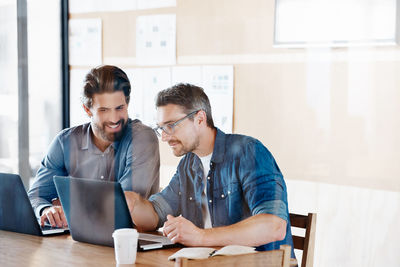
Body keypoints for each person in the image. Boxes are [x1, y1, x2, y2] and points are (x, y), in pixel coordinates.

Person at [125, 83, 295, 256]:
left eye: (171, 125)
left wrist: (200, 237)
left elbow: (274, 226)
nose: (165, 137)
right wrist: (131, 204)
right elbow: (154, 215)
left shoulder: (249, 151)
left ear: (200, 118)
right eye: (161, 128)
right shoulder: (188, 164)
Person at [28, 65, 160, 228]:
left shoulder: (142, 139)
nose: (114, 119)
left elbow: (122, 205)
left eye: (120, 108)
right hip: (78, 240)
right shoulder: (65, 142)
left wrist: (68, 204)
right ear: (87, 109)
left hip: (129, 242)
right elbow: (36, 196)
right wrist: (47, 209)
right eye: (104, 110)